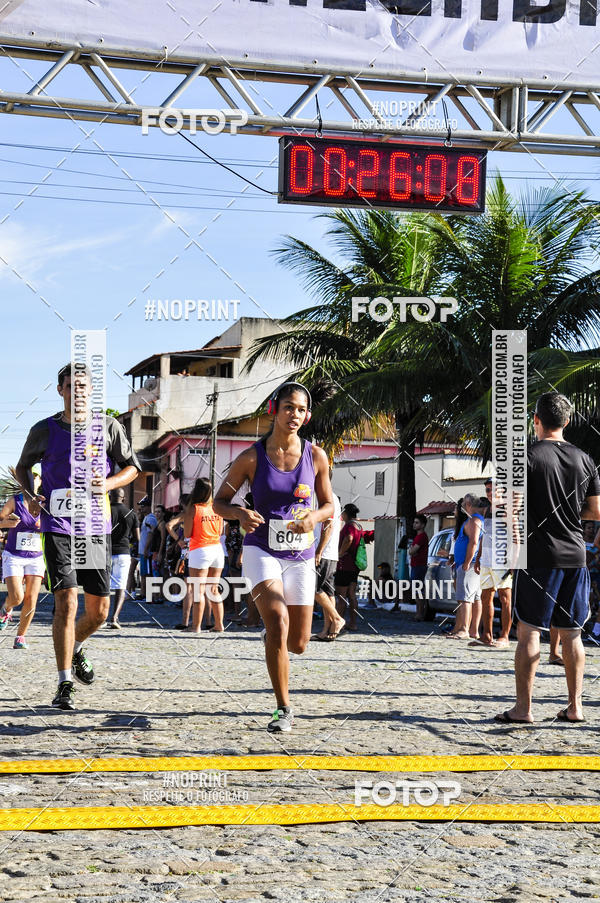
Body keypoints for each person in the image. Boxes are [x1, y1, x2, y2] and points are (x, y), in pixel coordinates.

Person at [15, 363, 140, 710]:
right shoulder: (45, 429)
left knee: (99, 613)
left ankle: (76, 647)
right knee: (67, 602)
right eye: (72, 386)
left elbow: (132, 468)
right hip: (57, 526)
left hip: (95, 528)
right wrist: (31, 495)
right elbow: (23, 466)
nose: (78, 392)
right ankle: (64, 683)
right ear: (61, 390)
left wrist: (109, 483)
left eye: (84, 386)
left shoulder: (109, 427)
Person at [214, 382, 333, 733]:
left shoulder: (316, 456)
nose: (294, 414)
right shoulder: (251, 457)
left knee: (299, 643)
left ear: (307, 416)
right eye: (288, 407)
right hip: (261, 548)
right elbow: (219, 502)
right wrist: (238, 514)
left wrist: (314, 517)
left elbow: (329, 504)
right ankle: (284, 709)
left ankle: (274, 642)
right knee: (278, 621)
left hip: (300, 554)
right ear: (274, 410)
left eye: (301, 409)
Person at [495, 392, 600, 725]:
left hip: (538, 554)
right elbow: (595, 512)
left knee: (529, 631)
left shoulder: (525, 457)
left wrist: (515, 548)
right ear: (566, 421)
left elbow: (510, 510)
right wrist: (567, 513)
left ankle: (523, 709)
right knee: (572, 634)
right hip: (575, 555)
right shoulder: (585, 460)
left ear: (536, 420)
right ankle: (575, 707)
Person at [0, 470, 45, 648]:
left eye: (35, 477)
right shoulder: (14, 501)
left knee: (31, 599)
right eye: (28, 477)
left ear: (40, 481)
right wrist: (7, 524)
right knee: (17, 597)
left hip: (36, 557)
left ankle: (20, 637)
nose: (32, 480)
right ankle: (6, 608)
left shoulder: (45, 502)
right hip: (14, 556)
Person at [471, 479, 513, 649]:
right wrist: (478, 557)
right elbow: (484, 535)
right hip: (486, 560)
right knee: (485, 597)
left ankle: (505, 636)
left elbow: (515, 535)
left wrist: (513, 560)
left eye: (492, 489)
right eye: (487, 490)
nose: (489, 493)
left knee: (505, 598)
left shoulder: (507, 509)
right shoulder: (488, 509)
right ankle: (486, 636)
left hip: (502, 559)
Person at [184, 478, 225, 633]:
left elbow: (187, 533)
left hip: (200, 549)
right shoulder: (217, 507)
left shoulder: (193, 509)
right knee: (213, 590)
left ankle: (196, 626)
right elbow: (221, 531)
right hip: (217, 549)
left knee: (198, 591)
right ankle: (219, 625)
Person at [446, 493, 484, 639]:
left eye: (462, 505)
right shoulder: (473, 520)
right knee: (475, 598)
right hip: (471, 563)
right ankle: (473, 630)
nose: (461, 507)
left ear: (468, 504)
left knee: (465, 598)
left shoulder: (474, 520)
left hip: (469, 564)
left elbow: (474, 542)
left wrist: (467, 563)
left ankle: (464, 630)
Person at [312, 491, 345, 641]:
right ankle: (327, 630)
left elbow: (329, 525)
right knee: (328, 592)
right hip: (329, 553)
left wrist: (319, 551)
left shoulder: (327, 496)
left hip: (323, 553)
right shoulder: (331, 497)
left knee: (312, 588)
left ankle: (337, 618)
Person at [107, 488, 139, 628]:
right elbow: (137, 538)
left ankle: (101, 616)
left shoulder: (105, 511)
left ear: (110, 498)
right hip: (124, 553)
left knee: (104, 586)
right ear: (124, 498)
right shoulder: (131, 514)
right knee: (121, 587)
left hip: (105, 552)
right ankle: (114, 617)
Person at [335, 503, 363, 632]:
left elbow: (349, 538)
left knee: (341, 597)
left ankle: (337, 624)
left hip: (344, 565)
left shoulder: (349, 526)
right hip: (354, 566)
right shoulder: (359, 526)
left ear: (345, 513)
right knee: (352, 596)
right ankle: (353, 623)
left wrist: (340, 553)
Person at [137, 498, 157, 602]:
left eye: (143, 506)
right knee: (143, 573)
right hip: (142, 550)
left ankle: (148, 595)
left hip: (147, 551)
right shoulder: (146, 518)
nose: (141, 508)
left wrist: (146, 549)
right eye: (141, 506)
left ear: (149, 507)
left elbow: (150, 534)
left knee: (147, 574)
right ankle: (143, 594)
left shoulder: (151, 518)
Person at [410, 514, 429, 621]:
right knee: (417, 590)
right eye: (414, 522)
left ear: (423, 525)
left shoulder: (421, 537)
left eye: (417, 523)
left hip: (419, 566)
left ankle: (420, 614)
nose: (414, 524)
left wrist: (412, 550)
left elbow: (412, 551)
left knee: (418, 591)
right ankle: (418, 613)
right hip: (416, 566)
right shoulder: (418, 537)